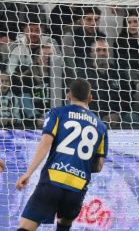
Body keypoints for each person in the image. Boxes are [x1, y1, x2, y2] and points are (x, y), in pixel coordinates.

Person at [15, 78, 108, 231]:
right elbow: (98, 166)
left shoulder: (58, 113)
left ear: (68, 95)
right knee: (64, 224)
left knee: (26, 226)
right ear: (90, 98)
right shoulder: (101, 127)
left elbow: (46, 142)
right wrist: (78, 163)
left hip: (53, 180)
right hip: (77, 186)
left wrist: (28, 173)